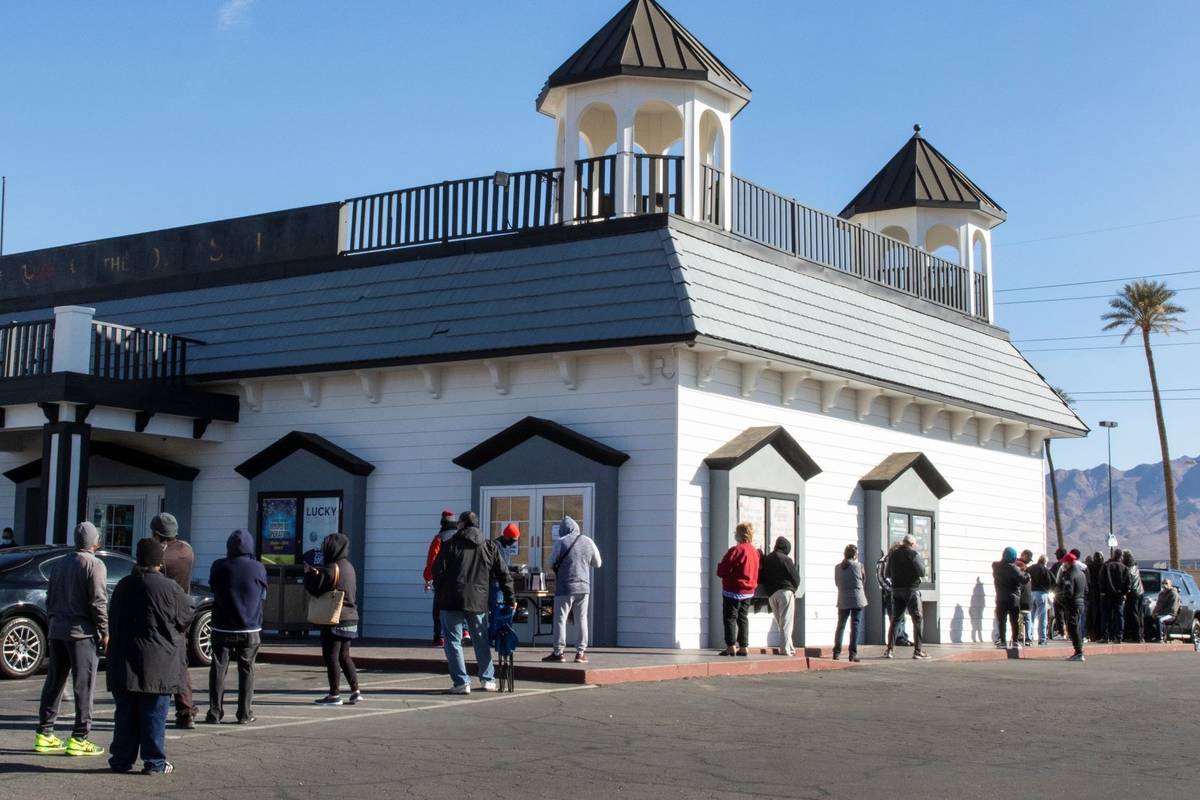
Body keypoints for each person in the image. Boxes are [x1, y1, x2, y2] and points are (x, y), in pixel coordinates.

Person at [107, 538, 194, 775]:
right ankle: (154, 762)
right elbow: (186, 615)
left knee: (125, 714)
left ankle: (121, 760)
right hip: (159, 661)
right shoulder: (169, 588)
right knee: (153, 714)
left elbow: (113, 619)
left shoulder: (124, 585)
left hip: (125, 660)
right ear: (159, 562)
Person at [33, 521, 108, 757]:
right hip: (81, 632)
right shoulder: (94, 564)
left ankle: (44, 733)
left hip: (58, 629)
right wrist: (105, 630)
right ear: (94, 541)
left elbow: (50, 596)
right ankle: (80, 736)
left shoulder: (60, 564)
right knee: (83, 685)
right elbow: (98, 601)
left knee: (54, 681)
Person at [432, 511, 514, 692]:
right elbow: (503, 573)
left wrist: (440, 592)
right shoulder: (489, 546)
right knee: (480, 639)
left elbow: (437, 571)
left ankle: (461, 682)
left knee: (453, 641)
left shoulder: (450, 544)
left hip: (451, 598)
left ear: (461, 524)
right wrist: (510, 597)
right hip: (478, 599)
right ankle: (487, 678)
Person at [206, 529, 268, 725]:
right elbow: (263, 595)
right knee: (247, 669)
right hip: (249, 627)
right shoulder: (258, 568)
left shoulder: (218, 566)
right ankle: (244, 713)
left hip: (222, 626)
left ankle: (215, 712)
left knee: (218, 668)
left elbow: (214, 588)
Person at [149, 512, 198, 729]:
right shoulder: (187, 550)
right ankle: (186, 711)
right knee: (180, 663)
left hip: (160, 613)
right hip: (181, 613)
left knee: (154, 661)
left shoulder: (160, 555)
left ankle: (152, 708)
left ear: (157, 534)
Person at [304, 533, 361, 705]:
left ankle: (334, 694)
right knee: (345, 656)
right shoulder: (349, 567)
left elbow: (316, 589)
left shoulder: (331, 567)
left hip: (335, 618)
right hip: (351, 617)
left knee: (331, 656)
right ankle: (355, 690)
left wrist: (308, 574)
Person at [543, 515, 602, 663]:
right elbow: (598, 563)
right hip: (584, 586)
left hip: (565, 587)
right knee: (582, 619)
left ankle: (558, 652)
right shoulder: (588, 541)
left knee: (560, 619)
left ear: (563, 530)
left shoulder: (561, 542)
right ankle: (580, 653)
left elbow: (550, 564)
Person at [716, 522, 760, 657]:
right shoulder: (754, 551)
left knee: (730, 617)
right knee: (743, 617)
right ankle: (744, 646)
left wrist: (721, 571)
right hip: (748, 590)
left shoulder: (737, 550)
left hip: (733, 589)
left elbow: (724, 568)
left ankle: (730, 646)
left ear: (740, 534)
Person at [885, 535, 930, 660]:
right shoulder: (913, 554)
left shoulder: (893, 555)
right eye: (915, 544)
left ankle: (889, 650)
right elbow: (922, 572)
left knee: (896, 620)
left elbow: (887, 573)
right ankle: (918, 651)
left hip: (896, 590)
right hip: (911, 590)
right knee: (918, 619)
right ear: (911, 543)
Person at [759, 536, 800, 656]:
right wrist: (793, 589)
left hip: (771, 595)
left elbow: (762, 577)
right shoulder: (786, 559)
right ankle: (785, 650)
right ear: (786, 548)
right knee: (786, 623)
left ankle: (790, 647)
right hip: (785, 592)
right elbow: (796, 578)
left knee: (781, 623)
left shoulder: (766, 559)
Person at [423, 510, 458, 646]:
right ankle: (464, 632)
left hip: (442, 580)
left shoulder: (439, 538)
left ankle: (439, 636)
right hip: (459, 579)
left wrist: (428, 578)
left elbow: (432, 560)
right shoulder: (460, 538)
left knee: (438, 608)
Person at [832, 544, 867, 662]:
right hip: (857, 598)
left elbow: (837, 583)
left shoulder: (837, 567)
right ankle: (853, 654)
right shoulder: (858, 566)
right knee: (855, 626)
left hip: (842, 598)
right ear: (855, 555)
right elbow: (863, 581)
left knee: (840, 625)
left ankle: (836, 652)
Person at [992, 547, 1029, 649]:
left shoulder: (995, 566)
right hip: (1013, 598)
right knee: (1014, 620)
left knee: (1002, 620)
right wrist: (1026, 572)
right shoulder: (1013, 568)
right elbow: (1024, 580)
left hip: (1000, 597)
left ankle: (1003, 642)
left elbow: (998, 564)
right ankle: (1015, 642)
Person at [1055, 551, 1087, 662]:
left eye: (1064, 562)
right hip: (1081, 602)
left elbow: (1068, 592)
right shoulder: (1082, 573)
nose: (1063, 564)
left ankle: (1079, 651)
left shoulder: (1069, 574)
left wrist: (1061, 599)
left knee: (1072, 627)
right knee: (1077, 626)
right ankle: (1079, 650)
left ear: (1068, 562)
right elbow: (1086, 589)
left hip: (1072, 604)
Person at [877, 544, 911, 646]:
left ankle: (903, 636)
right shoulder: (884, 560)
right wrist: (892, 589)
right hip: (890, 592)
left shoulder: (897, 560)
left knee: (902, 616)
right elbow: (881, 577)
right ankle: (897, 638)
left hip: (901, 591)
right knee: (895, 616)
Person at [1100, 548, 1131, 644]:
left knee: (1106, 616)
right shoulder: (1125, 568)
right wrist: (1124, 593)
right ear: (1121, 557)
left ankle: (1106, 637)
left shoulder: (1106, 566)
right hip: (1119, 596)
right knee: (1119, 616)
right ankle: (1119, 637)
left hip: (1107, 595)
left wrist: (1103, 592)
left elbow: (1101, 580)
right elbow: (1128, 583)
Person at [1027, 554, 1054, 645]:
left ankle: (1028, 637)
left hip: (1031, 593)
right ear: (1045, 561)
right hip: (1042, 593)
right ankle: (1042, 638)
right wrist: (1049, 589)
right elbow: (1052, 581)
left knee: (1031, 616)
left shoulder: (1030, 568)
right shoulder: (1045, 570)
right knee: (1042, 617)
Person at [1122, 550, 1145, 643]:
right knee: (1139, 614)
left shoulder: (1128, 569)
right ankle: (1141, 635)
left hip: (1133, 593)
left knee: (1134, 614)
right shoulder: (1135, 567)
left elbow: (1129, 583)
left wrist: (1126, 592)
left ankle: (1137, 636)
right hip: (1140, 592)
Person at [1049, 547, 1068, 640]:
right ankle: (1070, 633)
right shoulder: (1070, 565)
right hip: (1069, 593)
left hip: (1058, 594)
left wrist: (1052, 589)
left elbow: (1050, 578)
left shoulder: (1056, 566)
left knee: (1059, 613)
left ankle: (1061, 633)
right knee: (1068, 613)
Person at [1017, 550, 1034, 645]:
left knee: (1020, 618)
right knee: (1027, 619)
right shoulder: (1027, 574)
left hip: (1022, 600)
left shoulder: (1020, 573)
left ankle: (1020, 637)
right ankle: (1028, 638)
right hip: (1027, 600)